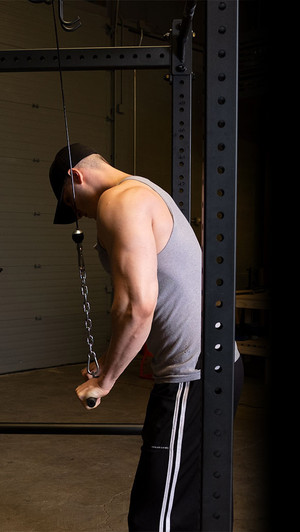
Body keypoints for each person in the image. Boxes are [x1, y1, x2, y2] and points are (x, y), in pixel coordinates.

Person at [49, 143, 243, 531]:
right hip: (216, 365)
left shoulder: (119, 201)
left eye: (71, 203)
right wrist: (106, 362)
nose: (78, 215)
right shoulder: (146, 191)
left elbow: (137, 306)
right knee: (195, 497)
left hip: (194, 375)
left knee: (157, 515)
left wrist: (105, 382)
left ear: (76, 176)